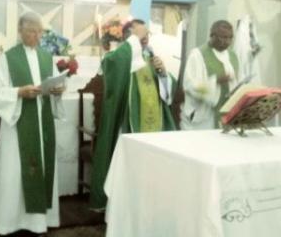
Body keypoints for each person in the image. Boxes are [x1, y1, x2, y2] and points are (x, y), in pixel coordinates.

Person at [0, 12, 65, 235]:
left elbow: (56, 81)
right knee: (16, 172)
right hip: (18, 126)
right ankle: (9, 223)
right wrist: (19, 92)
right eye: (33, 31)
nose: (38, 36)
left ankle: (39, 223)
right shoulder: (7, 58)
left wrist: (59, 90)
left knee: (41, 167)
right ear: (21, 31)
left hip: (42, 124)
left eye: (40, 31)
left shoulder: (46, 57)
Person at [89, 19, 177, 210]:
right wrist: (133, 43)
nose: (145, 40)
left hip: (155, 125)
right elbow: (112, 70)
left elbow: (167, 93)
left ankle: (152, 203)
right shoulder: (119, 56)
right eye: (141, 36)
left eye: (147, 35)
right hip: (128, 123)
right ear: (130, 37)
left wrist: (162, 73)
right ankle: (124, 207)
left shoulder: (151, 57)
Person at [181, 20, 240, 130]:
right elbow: (189, 85)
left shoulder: (233, 56)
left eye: (230, 38)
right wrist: (215, 81)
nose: (227, 41)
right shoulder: (197, 55)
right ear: (212, 35)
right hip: (204, 115)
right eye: (223, 37)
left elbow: (236, 82)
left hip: (227, 113)